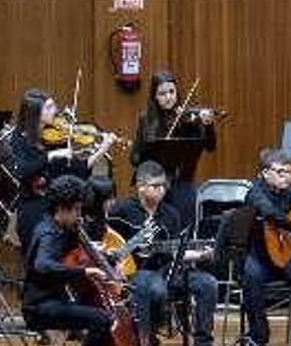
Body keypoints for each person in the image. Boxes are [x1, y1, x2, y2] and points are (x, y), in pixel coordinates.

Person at [108, 161, 219, 346]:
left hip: (168, 270)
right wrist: (133, 244)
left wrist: (201, 255)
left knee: (209, 283)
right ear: (141, 187)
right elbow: (109, 244)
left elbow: (175, 251)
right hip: (134, 272)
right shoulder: (121, 210)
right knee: (156, 289)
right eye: (155, 186)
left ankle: (203, 342)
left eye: (163, 186)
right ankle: (146, 338)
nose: (161, 190)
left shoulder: (170, 213)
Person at [13, 88, 115, 253]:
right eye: (49, 107)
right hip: (34, 209)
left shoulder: (56, 137)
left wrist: (102, 149)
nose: (56, 110)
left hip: (58, 210)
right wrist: (50, 156)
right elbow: (23, 172)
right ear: (35, 113)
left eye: (53, 105)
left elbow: (79, 169)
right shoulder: (20, 138)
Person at [20, 175, 111, 346]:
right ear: (62, 208)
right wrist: (84, 271)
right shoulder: (49, 234)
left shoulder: (60, 228)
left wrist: (105, 256)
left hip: (57, 299)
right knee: (103, 320)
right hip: (40, 307)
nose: (79, 215)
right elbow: (43, 265)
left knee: (103, 315)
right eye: (76, 210)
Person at [241, 149, 291, 346]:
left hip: (286, 254)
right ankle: (258, 335)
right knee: (251, 275)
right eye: (280, 172)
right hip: (260, 257)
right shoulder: (254, 192)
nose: (286, 177)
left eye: (289, 172)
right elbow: (267, 211)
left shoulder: (290, 193)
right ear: (265, 173)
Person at [130, 71, 218, 226]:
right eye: (162, 93)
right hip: (155, 185)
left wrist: (208, 125)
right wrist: (150, 151)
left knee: (185, 220)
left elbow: (210, 146)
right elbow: (134, 157)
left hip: (183, 183)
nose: (168, 97)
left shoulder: (189, 118)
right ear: (155, 97)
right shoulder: (147, 120)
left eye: (172, 91)